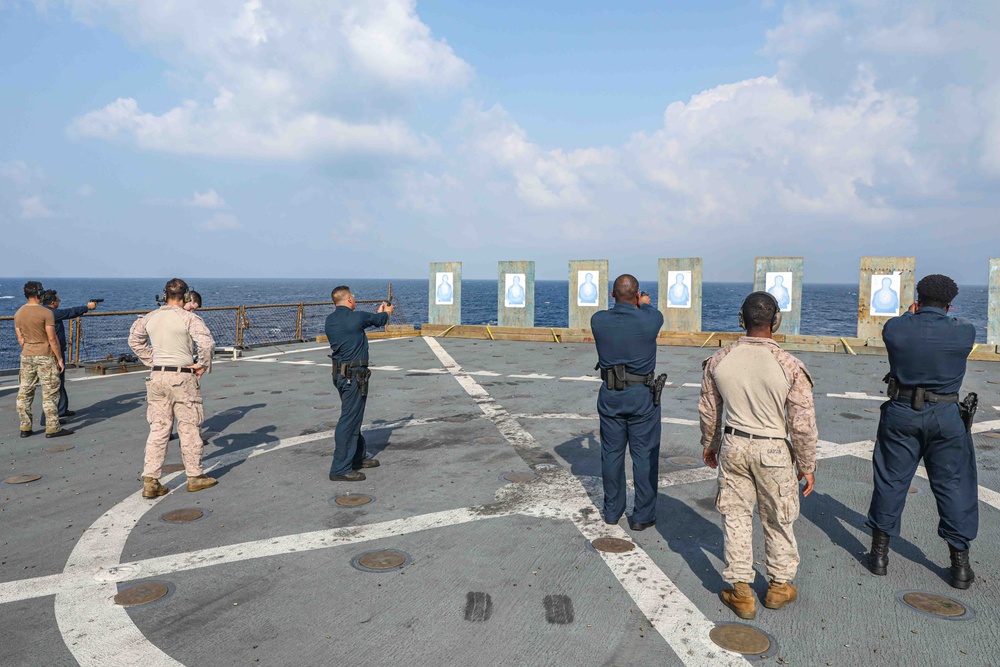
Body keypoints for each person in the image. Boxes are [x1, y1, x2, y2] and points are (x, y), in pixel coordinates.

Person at [699, 291, 817, 620]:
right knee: (778, 518)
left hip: (734, 445)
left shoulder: (719, 360)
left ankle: (741, 592)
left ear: (742, 319)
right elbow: (802, 423)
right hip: (774, 450)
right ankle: (779, 587)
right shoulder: (790, 365)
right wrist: (807, 465)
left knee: (736, 517)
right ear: (775, 321)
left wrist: (710, 444)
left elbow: (710, 411)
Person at [865, 274, 978, 589]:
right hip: (945, 416)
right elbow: (955, 327)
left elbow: (900, 324)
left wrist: (911, 311)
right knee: (954, 486)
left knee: (890, 480)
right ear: (950, 303)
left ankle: (879, 556)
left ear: (917, 299)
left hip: (901, 413)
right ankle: (960, 566)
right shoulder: (963, 332)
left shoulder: (896, 329)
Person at [128, 278, 217, 499]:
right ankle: (195, 477)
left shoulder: (150, 317)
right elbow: (206, 344)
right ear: (186, 296)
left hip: (157, 377)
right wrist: (202, 366)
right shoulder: (188, 318)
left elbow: (134, 341)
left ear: (164, 295)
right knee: (188, 427)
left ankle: (151, 481)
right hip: (182, 377)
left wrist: (153, 361)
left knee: (158, 429)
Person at [590, 274, 664, 531]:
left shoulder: (598, 320)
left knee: (611, 454)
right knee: (643, 455)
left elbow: (616, 316)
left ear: (612, 295)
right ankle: (642, 516)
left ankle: (612, 511)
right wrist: (643, 302)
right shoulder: (650, 319)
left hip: (610, 395)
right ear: (636, 296)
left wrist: (634, 301)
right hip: (642, 396)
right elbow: (650, 311)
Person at [326, 286, 393, 481]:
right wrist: (386, 312)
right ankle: (340, 468)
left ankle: (356, 457)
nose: (354, 300)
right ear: (348, 300)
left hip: (340, 375)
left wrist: (379, 314)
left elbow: (363, 323)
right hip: (353, 376)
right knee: (348, 420)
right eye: (353, 297)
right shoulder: (356, 318)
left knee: (353, 417)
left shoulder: (330, 320)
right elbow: (378, 321)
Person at [13, 281, 72, 438]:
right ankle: (52, 428)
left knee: (25, 392)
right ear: (39, 293)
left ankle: (25, 428)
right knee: (50, 393)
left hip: (26, 355)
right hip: (45, 355)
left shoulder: (19, 313)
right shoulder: (46, 313)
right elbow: (52, 339)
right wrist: (59, 359)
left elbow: (20, 339)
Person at [40, 290, 98, 423]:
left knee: (59, 383)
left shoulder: (41, 311)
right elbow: (70, 312)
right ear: (53, 302)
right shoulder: (51, 313)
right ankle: (47, 418)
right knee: (53, 385)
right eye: (58, 300)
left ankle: (61, 409)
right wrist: (87, 307)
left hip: (50, 352)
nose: (59, 302)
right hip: (54, 354)